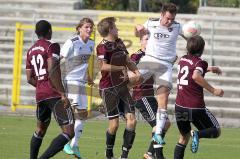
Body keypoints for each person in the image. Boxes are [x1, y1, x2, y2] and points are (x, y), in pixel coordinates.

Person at [135, 3, 184, 145]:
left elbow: (192, 39)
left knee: (163, 101)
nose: (170, 22)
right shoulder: (151, 22)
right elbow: (138, 32)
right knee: (129, 79)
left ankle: (157, 134)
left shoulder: (177, 26)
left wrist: (193, 34)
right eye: (168, 18)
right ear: (162, 14)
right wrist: (137, 28)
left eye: (172, 19)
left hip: (165, 66)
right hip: (149, 60)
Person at [26, 20, 74, 159]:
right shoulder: (51, 46)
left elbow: (29, 78)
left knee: (40, 130)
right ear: (49, 31)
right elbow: (52, 69)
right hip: (53, 93)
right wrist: (62, 93)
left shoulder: (30, 51)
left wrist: (41, 86)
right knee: (69, 131)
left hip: (40, 94)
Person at [96, 17, 141, 159]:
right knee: (114, 125)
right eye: (115, 27)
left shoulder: (120, 43)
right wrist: (120, 68)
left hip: (122, 87)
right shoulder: (102, 46)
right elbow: (102, 66)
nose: (117, 29)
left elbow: (128, 61)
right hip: (108, 88)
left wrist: (137, 72)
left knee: (132, 120)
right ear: (110, 29)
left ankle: (124, 156)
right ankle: (109, 153)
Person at [174, 35, 224, 159]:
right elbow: (195, 75)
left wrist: (209, 69)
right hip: (195, 107)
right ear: (202, 49)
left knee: (183, 137)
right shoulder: (200, 62)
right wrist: (214, 90)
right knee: (216, 130)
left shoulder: (183, 59)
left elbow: (191, 69)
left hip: (180, 107)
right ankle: (196, 134)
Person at [128, 34, 170, 159]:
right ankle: (157, 155)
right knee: (158, 125)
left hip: (150, 95)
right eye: (146, 39)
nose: (149, 41)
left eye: (151, 39)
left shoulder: (153, 57)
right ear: (140, 41)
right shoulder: (136, 56)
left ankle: (150, 153)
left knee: (166, 123)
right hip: (141, 96)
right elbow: (131, 74)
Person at [60, 17, 95, 158]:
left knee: (82, 115)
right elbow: (60, 61)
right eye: (86, 27)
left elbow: (84, 63)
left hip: (81, 82)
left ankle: (73, 145)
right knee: (78, 114)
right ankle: (68, 143)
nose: (89, 29)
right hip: (70, 81)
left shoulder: (91, 43)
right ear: (79, 28)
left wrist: (88, 76)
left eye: (91, 27)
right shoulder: (72, 42)